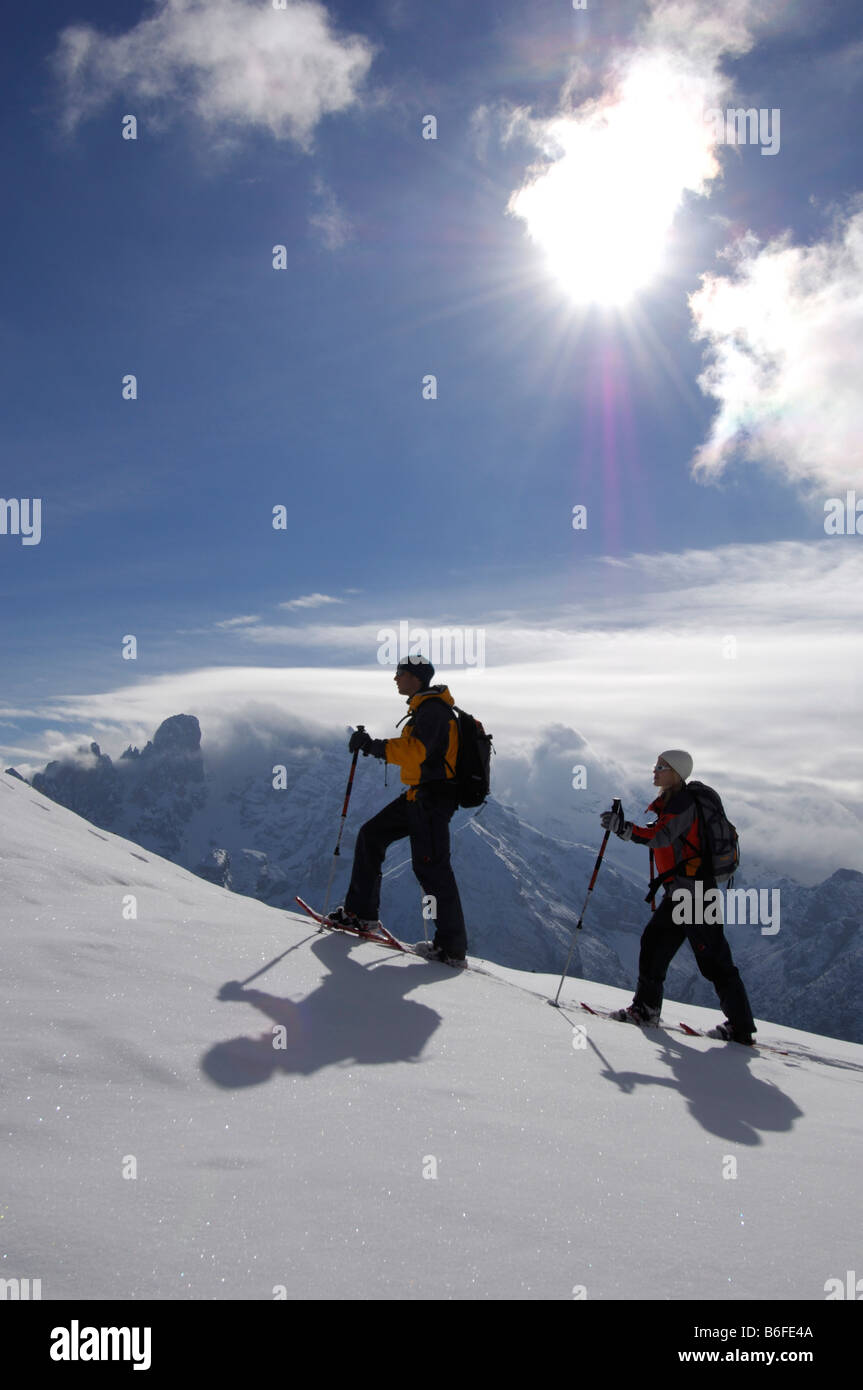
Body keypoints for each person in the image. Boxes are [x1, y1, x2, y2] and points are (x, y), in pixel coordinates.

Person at [600, 749, 756, 1045]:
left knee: (713, 960)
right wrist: (628, 828)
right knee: (657, 945)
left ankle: (740, 1027)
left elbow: (660, 836)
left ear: (677, 772)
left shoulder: (682, 803)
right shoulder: (678, 801)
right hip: (687, 892)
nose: (654, 771)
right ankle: (646, 1010)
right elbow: (665, 833)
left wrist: (623, 829)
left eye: (661, 766)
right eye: (656, 765)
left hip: (693, 895)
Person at [329, 655, 468, 966]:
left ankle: (452, 948)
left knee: (432, 868)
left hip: (432, 800)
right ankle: (361, 914)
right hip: (419, 796)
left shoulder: (432, 711)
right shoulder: (426, 709)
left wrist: (372, 746)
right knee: (371, 835)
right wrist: (372, 746)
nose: (395, 679)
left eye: (399, 673)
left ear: (415, 678)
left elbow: (415, 752)